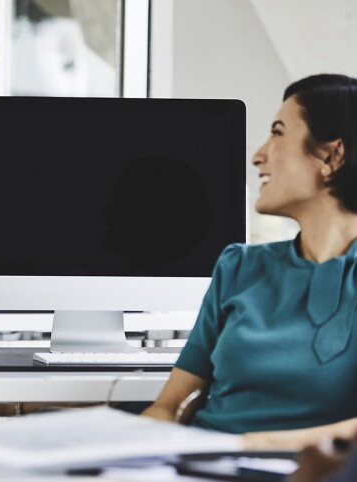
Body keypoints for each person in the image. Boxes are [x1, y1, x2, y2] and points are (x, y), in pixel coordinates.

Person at [142, 74, 357, 451]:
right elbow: (169, 406)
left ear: (330, 156)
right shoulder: (238, 267)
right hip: (194, 467)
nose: (258, 155)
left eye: (278, 132)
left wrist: (251, 446)